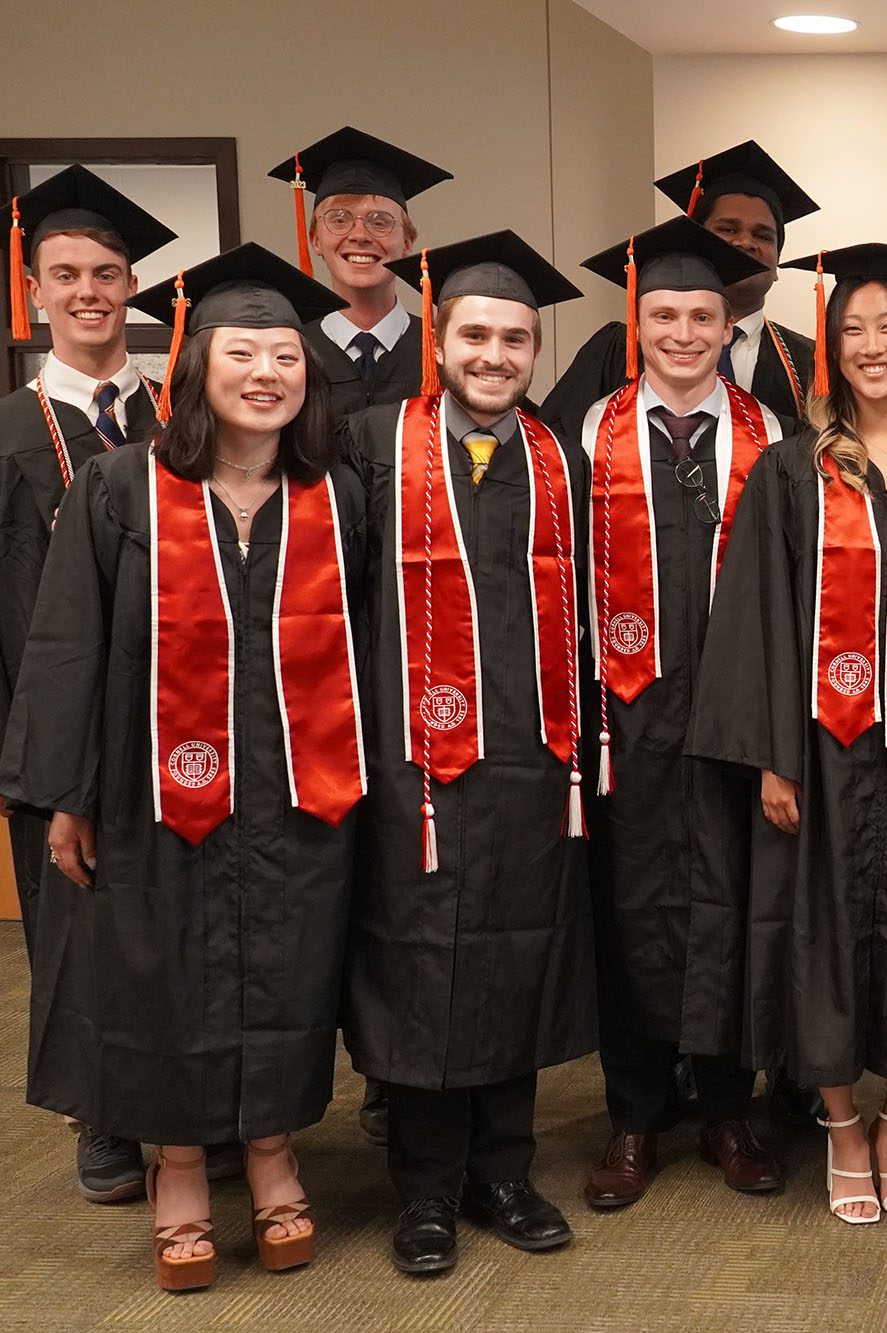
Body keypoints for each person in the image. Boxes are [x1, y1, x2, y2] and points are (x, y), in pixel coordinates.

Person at [0, 244, 360, 1291]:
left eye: (284, 355)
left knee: (284, 972)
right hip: (156, 796)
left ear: (308, 375)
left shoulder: (335, 497)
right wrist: (63, 793)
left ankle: (272, 1149)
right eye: (240, 351)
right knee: (163, 977)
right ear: (196, 368)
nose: (264, 373)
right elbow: (67, 644)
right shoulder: (122, 489)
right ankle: (180, 1170)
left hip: (297, 793)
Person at [689, 242, 887, 1223]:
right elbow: (759, 618)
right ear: (833, 345)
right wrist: (775, 750)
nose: (871, 345)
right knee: (815, 932)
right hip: (820, 750)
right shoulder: (791, 471)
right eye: (852, 329)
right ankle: (838, 1127)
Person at [344, 231, 592, 1277]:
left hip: (529, 760)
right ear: (438, 339)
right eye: (476, 334)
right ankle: (426, 1190)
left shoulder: (558, 459)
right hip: (411, 759)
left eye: (515, 338)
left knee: (511, 952)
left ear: (534, 351)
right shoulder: (368, 445)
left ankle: (503, 1171)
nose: (494, 354)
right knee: (419, 961)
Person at [570, 217, 790, 1208]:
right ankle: (632, 1114)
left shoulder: (767, 433)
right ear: (638, 319)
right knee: (633, 904)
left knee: (734, 900)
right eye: (664, 313)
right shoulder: (591, 428)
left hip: (732, 711)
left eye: (701, 313)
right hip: (628, 715)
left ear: (724, 320)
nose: (684, 331)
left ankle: (726, 1108)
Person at [0, 165, 175, 1205]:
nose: (87, 292)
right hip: (52, 717)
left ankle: (186, 1102)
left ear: (131, 286)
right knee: (70, 922)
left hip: (174, 716)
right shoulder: (10, 430)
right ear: (33, 291)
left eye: (106, 273)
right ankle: (100, 1114)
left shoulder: (181, 420)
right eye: (64, 274)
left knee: (168, 918)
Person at [541, 140, 819, 437]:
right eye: (728, 229)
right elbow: (552, 451)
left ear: (777, 262)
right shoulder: (620, 349)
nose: (745, 242)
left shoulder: (808, 362)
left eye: (762, 235)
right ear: (695, 243)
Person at [269, 127, 452, 422]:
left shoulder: (445, 351)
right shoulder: (289, 351)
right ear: (315, 239)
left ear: (407, 242)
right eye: (339, 220)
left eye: (379, 222)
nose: (359, 235)